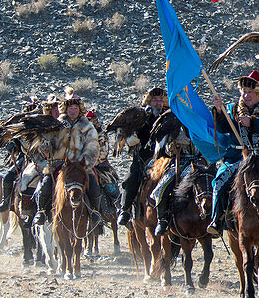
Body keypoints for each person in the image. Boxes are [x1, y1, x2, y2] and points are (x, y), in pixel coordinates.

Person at [206, 71, 259, 236]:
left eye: (250, 92)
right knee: (219, 182)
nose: (246, 95)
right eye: (244, 91)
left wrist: (253, 122)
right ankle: (216, 219)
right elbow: (223, 128)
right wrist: (219, 111)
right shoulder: (233, 109)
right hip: (239, 158)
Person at [33, 91, 101, 226]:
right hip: (59, 164)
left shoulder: (87, 125)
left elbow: (93, 144)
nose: (73, 111)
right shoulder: (57, 124)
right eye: (70, 109)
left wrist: (85, 161)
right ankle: (41, 211)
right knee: (46, 184)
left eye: (76, 109)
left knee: (93, 184)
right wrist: (46, 149)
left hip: (81, 165)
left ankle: (94, 212)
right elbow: (47, 141)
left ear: (79, 110)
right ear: (65, 109)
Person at [117, 87, 168, 228]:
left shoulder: (168, 116)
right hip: (143, 158)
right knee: (130, 179)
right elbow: (125, 135)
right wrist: (132, 139)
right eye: (155, 100)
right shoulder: (140, 116)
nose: (158, 103)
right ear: (149, 102)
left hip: (164, 159)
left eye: (160, 100)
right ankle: (125, 209)